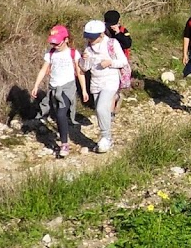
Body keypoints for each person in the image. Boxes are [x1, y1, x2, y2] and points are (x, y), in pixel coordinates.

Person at [31, 25, 88, 158]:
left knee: (61, 113)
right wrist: (36, 85)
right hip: (53, 88)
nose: (54, 45)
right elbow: (43, 70)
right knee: (57, 115)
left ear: (66, 40)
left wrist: (84, 90)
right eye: (52, 42)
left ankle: (64, 144)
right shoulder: (50, 54)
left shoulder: (73, 53)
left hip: (67, 88)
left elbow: (80, 72)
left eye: (57, 42)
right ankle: (63, 133)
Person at [81, 19, 128, 154]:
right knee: (99, 110)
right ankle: (106, 137)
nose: (90, 39)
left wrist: (110, 62)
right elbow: (84, 68)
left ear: (101, 34)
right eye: (88, 37)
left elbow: (123, 61)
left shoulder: (112, 43)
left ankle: (106, 138)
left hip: (111, 80)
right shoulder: (88, 48)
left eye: (93, 37)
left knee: (102, 108)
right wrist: (83, 59)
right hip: (95, 83)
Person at [103, 10, 132, 117]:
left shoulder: (123, 30)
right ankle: (109, 108)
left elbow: (127, 44)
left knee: (117, 85)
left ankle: (115, 101)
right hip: (106, 62)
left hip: (120, 62)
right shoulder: (103, 31)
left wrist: (118, 33)